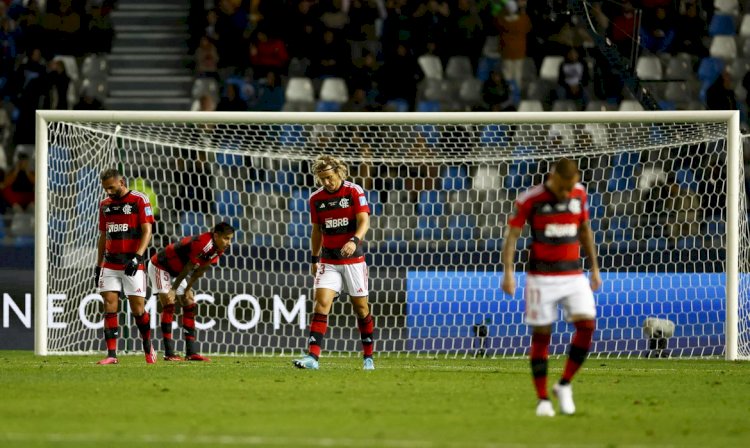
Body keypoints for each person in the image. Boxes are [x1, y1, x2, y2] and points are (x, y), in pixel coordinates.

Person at [501, 158, 601, 417]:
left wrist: (595, 268)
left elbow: (585, 230)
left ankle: (564, 383)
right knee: (542, 336)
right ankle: (543, 399)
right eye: (563, 188)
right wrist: (508, 273)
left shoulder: (579, 194)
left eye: (572, 187)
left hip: (573, 275)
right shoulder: (529, 199)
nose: (567, 193)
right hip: (541, 278)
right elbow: (512, 235)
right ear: (553, 178)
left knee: (587, 325)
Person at [293, 155, 374, 370]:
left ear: (338, 172)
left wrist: (354, 239)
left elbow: (364, 220)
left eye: (329, 177)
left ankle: (368, 357)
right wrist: (314, 257)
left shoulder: (353, 191)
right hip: (328, 260)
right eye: (322, 179)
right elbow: (317, 230)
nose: (326, 182)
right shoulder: (316, 199)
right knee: (321, 303)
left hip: (353, 260)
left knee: (361, 307)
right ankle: (312, 357)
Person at [148, 222, 235, 361]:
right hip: (160, 265)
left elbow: (200, 270)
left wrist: (188, 289)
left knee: (189, 302)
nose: (229, 242)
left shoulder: (219, 248)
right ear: (216, 235)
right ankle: (169, 353)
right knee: (169, 303)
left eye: (230, 239)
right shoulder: (203, 243)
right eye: (226, 238)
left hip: (177, 271)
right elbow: (189, 267)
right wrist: (174, 289)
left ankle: (191, 352)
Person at [95, 169, 155, 365]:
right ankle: (112, 355)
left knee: (138, 310)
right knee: (109, 305)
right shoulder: (104, 205)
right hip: (110, 263)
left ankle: (148, 349)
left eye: (111, 187)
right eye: (105, 189)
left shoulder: (139, 199)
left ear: (122, 182)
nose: (108, 192)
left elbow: (147, 230)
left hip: (132, 263)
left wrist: (138, 257)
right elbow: (103, 236)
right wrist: (98, 266)